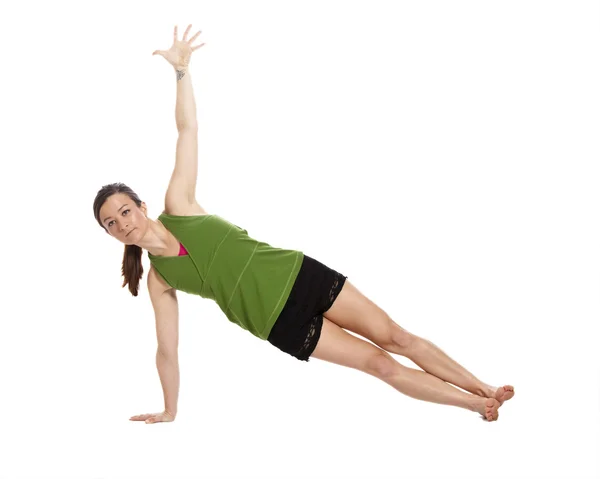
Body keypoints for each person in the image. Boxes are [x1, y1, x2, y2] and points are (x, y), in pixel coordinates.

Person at [93, 24, 514, 425]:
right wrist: (170, 409)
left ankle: (484, 385)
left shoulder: (180, 205)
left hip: (298, 274)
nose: (122, 223)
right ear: (110, 234)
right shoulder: (159, 279)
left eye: (124, 211)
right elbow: (167, 350)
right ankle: (475, 404)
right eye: (111, 223)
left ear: (141, 206)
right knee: (380, 365)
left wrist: (182, 71)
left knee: (396, 337)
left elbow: (187, 129)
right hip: (278, 323)